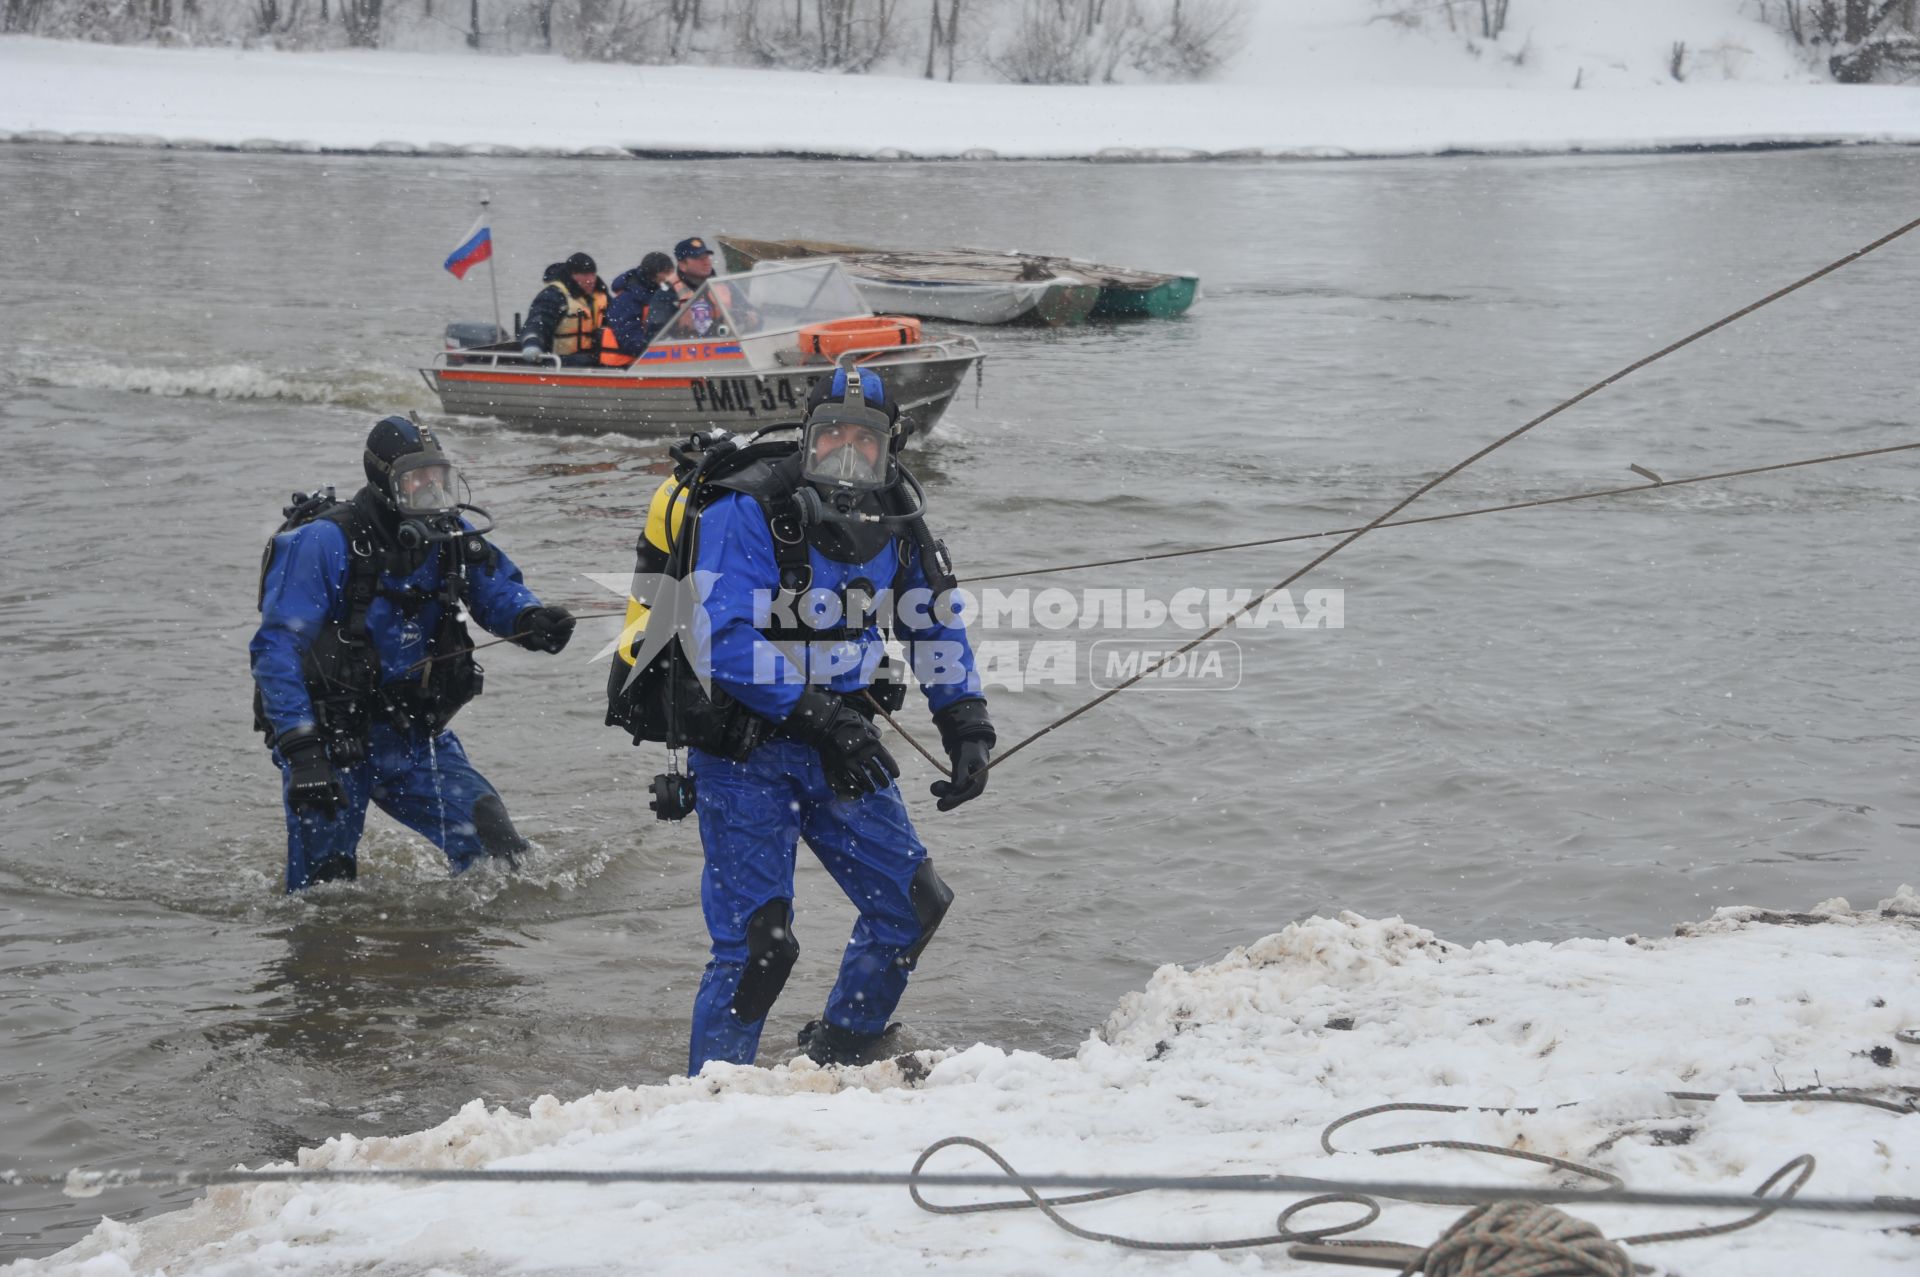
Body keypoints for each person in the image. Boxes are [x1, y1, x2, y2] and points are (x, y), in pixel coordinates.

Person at [607, 369, 995, 1073]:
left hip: (842, 745)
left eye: (865, 441)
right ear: (807, 436)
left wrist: (965, 724)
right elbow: (721, 639)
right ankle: (711, 1100)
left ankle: (842, 1052)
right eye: (832, 437)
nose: (847, 454)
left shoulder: (900, 513)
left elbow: (932, 620)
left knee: (913, 905)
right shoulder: (746, 506)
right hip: (744, 749)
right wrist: (817, 717)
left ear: (892, 445)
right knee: (761, 945)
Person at [251, 416, 577, 892]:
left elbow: (496, 592)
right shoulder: (322, 542)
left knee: (500, 853)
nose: (430, 490)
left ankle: (463, 953)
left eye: (438, 478)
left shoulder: (452, 536)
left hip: (412, 734)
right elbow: (276, 649)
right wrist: (302, 752)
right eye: (415, 479)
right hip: (331, 739)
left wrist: (530, 620)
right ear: (384, 482)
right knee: (325, 893)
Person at [519, 251, 608, 367]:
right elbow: (537, 322)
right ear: (572, 276)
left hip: (592, 359)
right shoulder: (553, 296)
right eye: (584, 275)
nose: (590, 280)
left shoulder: (600, 296)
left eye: (592, 275)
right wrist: (532, 343)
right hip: (559, 362)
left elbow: (618, 319)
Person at [642, 236, 725, 345]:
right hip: (692, 356)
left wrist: (746, 317)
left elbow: (751, 314)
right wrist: (679, 329)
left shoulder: (725, 285)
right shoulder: (666, 294)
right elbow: (653, 338)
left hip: (732, 351)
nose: (707, 262)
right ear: (683, 265)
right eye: (700, 258)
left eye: (707, 257)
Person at [600, 251, 677, 367]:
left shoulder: (666, 294)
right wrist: (660, 349)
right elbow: (630, 339)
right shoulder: (626, 300)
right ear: (652, 275)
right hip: (628, 366)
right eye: (666, 272)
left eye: (672, 271)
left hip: (659, 359)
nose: (672, 276)